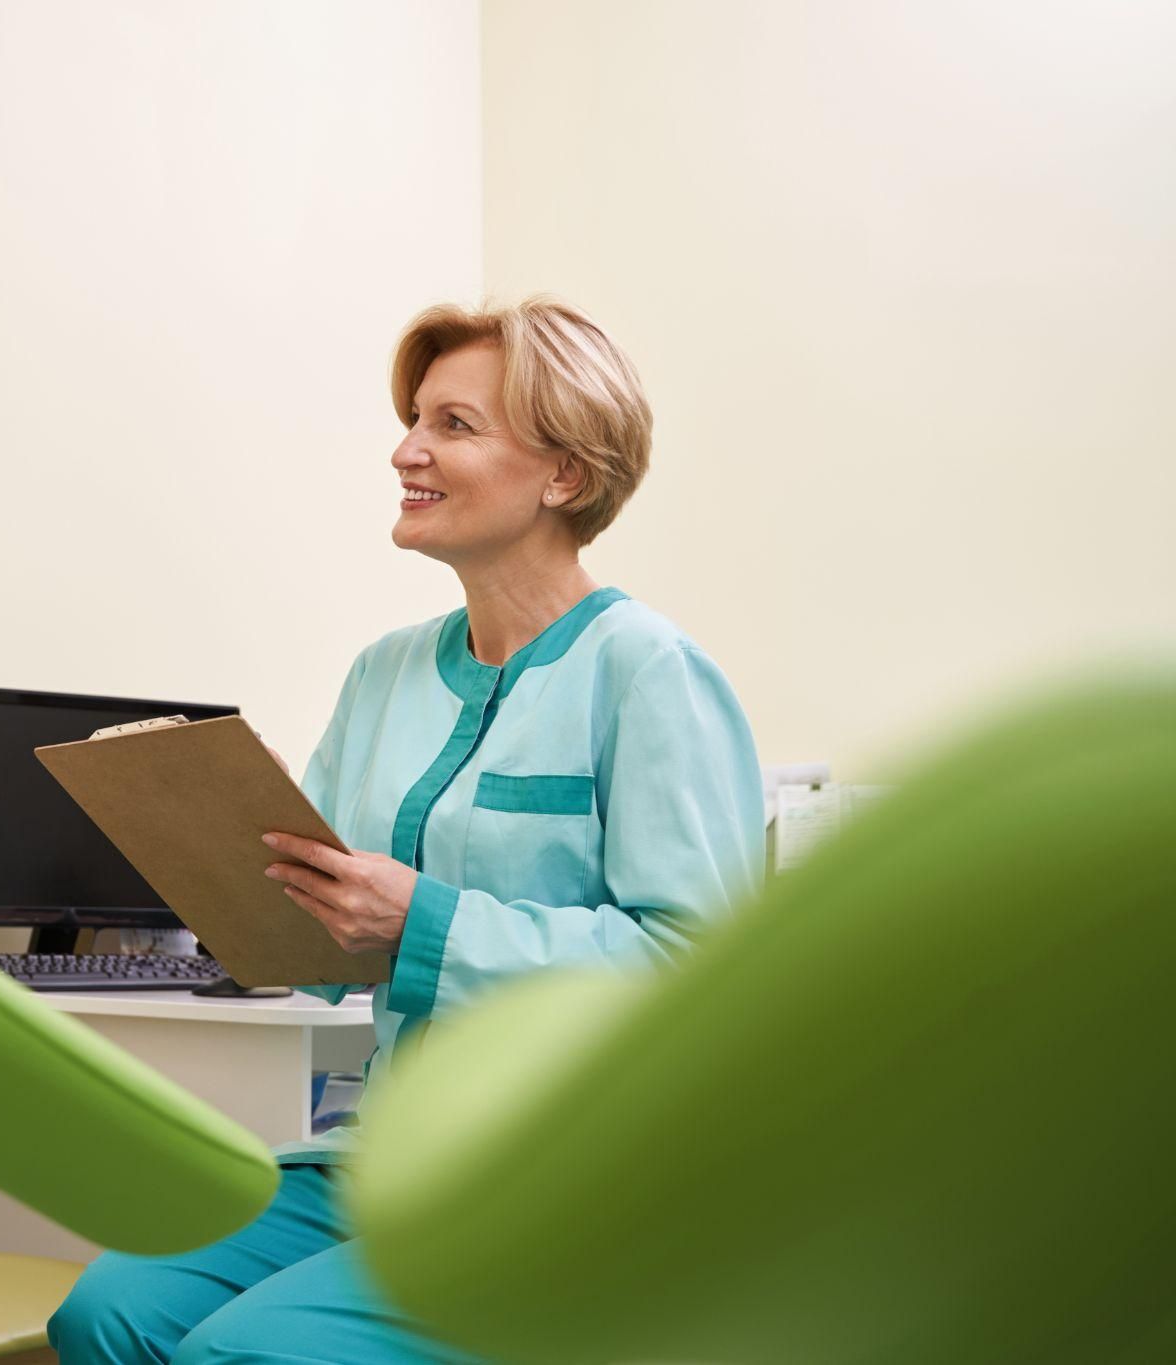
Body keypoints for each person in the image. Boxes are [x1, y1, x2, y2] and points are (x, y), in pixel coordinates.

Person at [50, 297, 765, 1362]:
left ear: (562, 474)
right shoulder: (383, 674)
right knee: (103, 1316)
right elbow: (319, 949)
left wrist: (426, 926)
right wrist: (195, 813)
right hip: (385, 1159)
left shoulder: (645, 673)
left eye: (452, 426)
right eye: (413, 420)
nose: (405, 450)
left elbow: (699, 976)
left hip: (568, 1180)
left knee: (238, 1355)